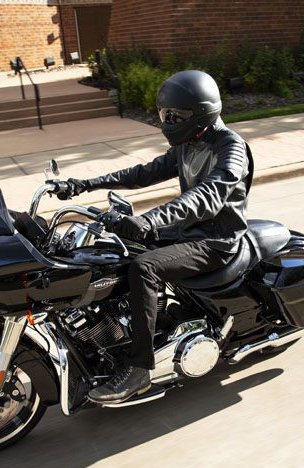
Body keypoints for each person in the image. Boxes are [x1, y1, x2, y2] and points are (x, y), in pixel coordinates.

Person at [58, 70, 252, 405]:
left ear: (199, 114)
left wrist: (148, 220)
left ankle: (139, 371)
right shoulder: (189, 143)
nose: (167, 122)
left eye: (174, 116)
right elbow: (143, 173)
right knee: (114, 251)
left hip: (216, 241)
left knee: (144, 268)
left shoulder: (230, 148)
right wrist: (85, 184)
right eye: (165, 115)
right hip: (189, 232)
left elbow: (205, 197)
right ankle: (121, 334)